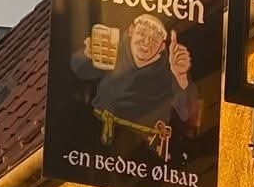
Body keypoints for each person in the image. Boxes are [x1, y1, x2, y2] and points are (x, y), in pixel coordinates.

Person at [72, 11, 202, 137]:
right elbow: (78, 71)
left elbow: (186, 115)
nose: (146, 42)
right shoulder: (113, 51)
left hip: (140, 145)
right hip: (96, 130)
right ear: (131, 31)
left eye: (154, 39)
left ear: (162, 47)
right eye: (142, 33)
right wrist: (87, 55)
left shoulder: (168, 72)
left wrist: (180, 77)